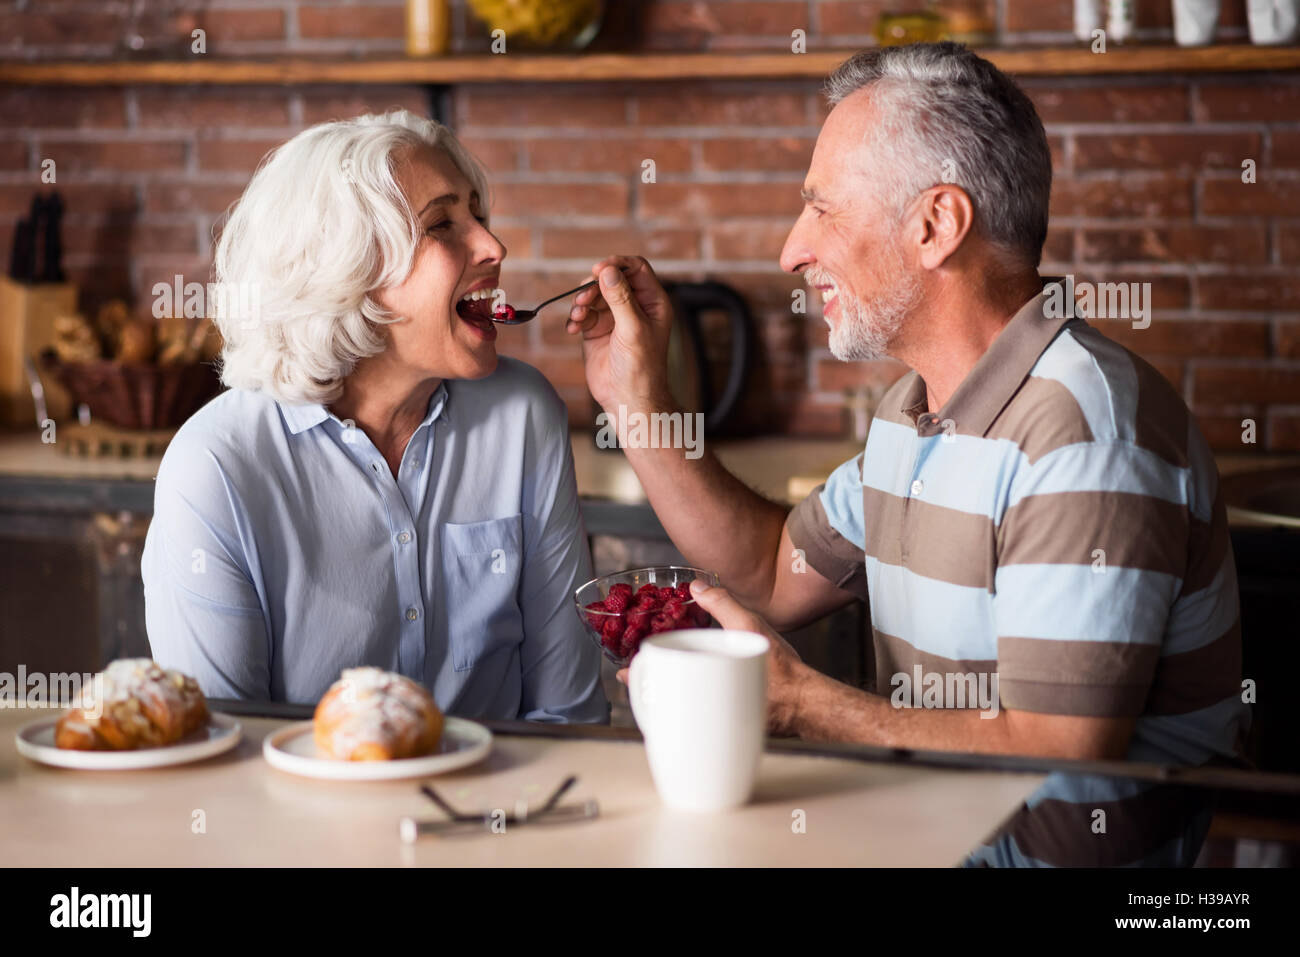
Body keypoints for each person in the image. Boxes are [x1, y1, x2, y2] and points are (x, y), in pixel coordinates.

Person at [565, 43, 1250, 864]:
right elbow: (776, 572)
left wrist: (800, 704)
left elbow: (1058, 747)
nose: (791, 250)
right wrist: (637, 404)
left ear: (935, 225)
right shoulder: (914, 409)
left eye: (823, 210)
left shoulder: (1083, 429)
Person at [143, 110, 607, 724]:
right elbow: (223, 754)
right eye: (442, 224)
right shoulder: (217, 466)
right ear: (345, 271)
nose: (494, 247)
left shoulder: (523, 415)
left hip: (494, 814)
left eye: (479, 215)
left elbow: (568, 718)